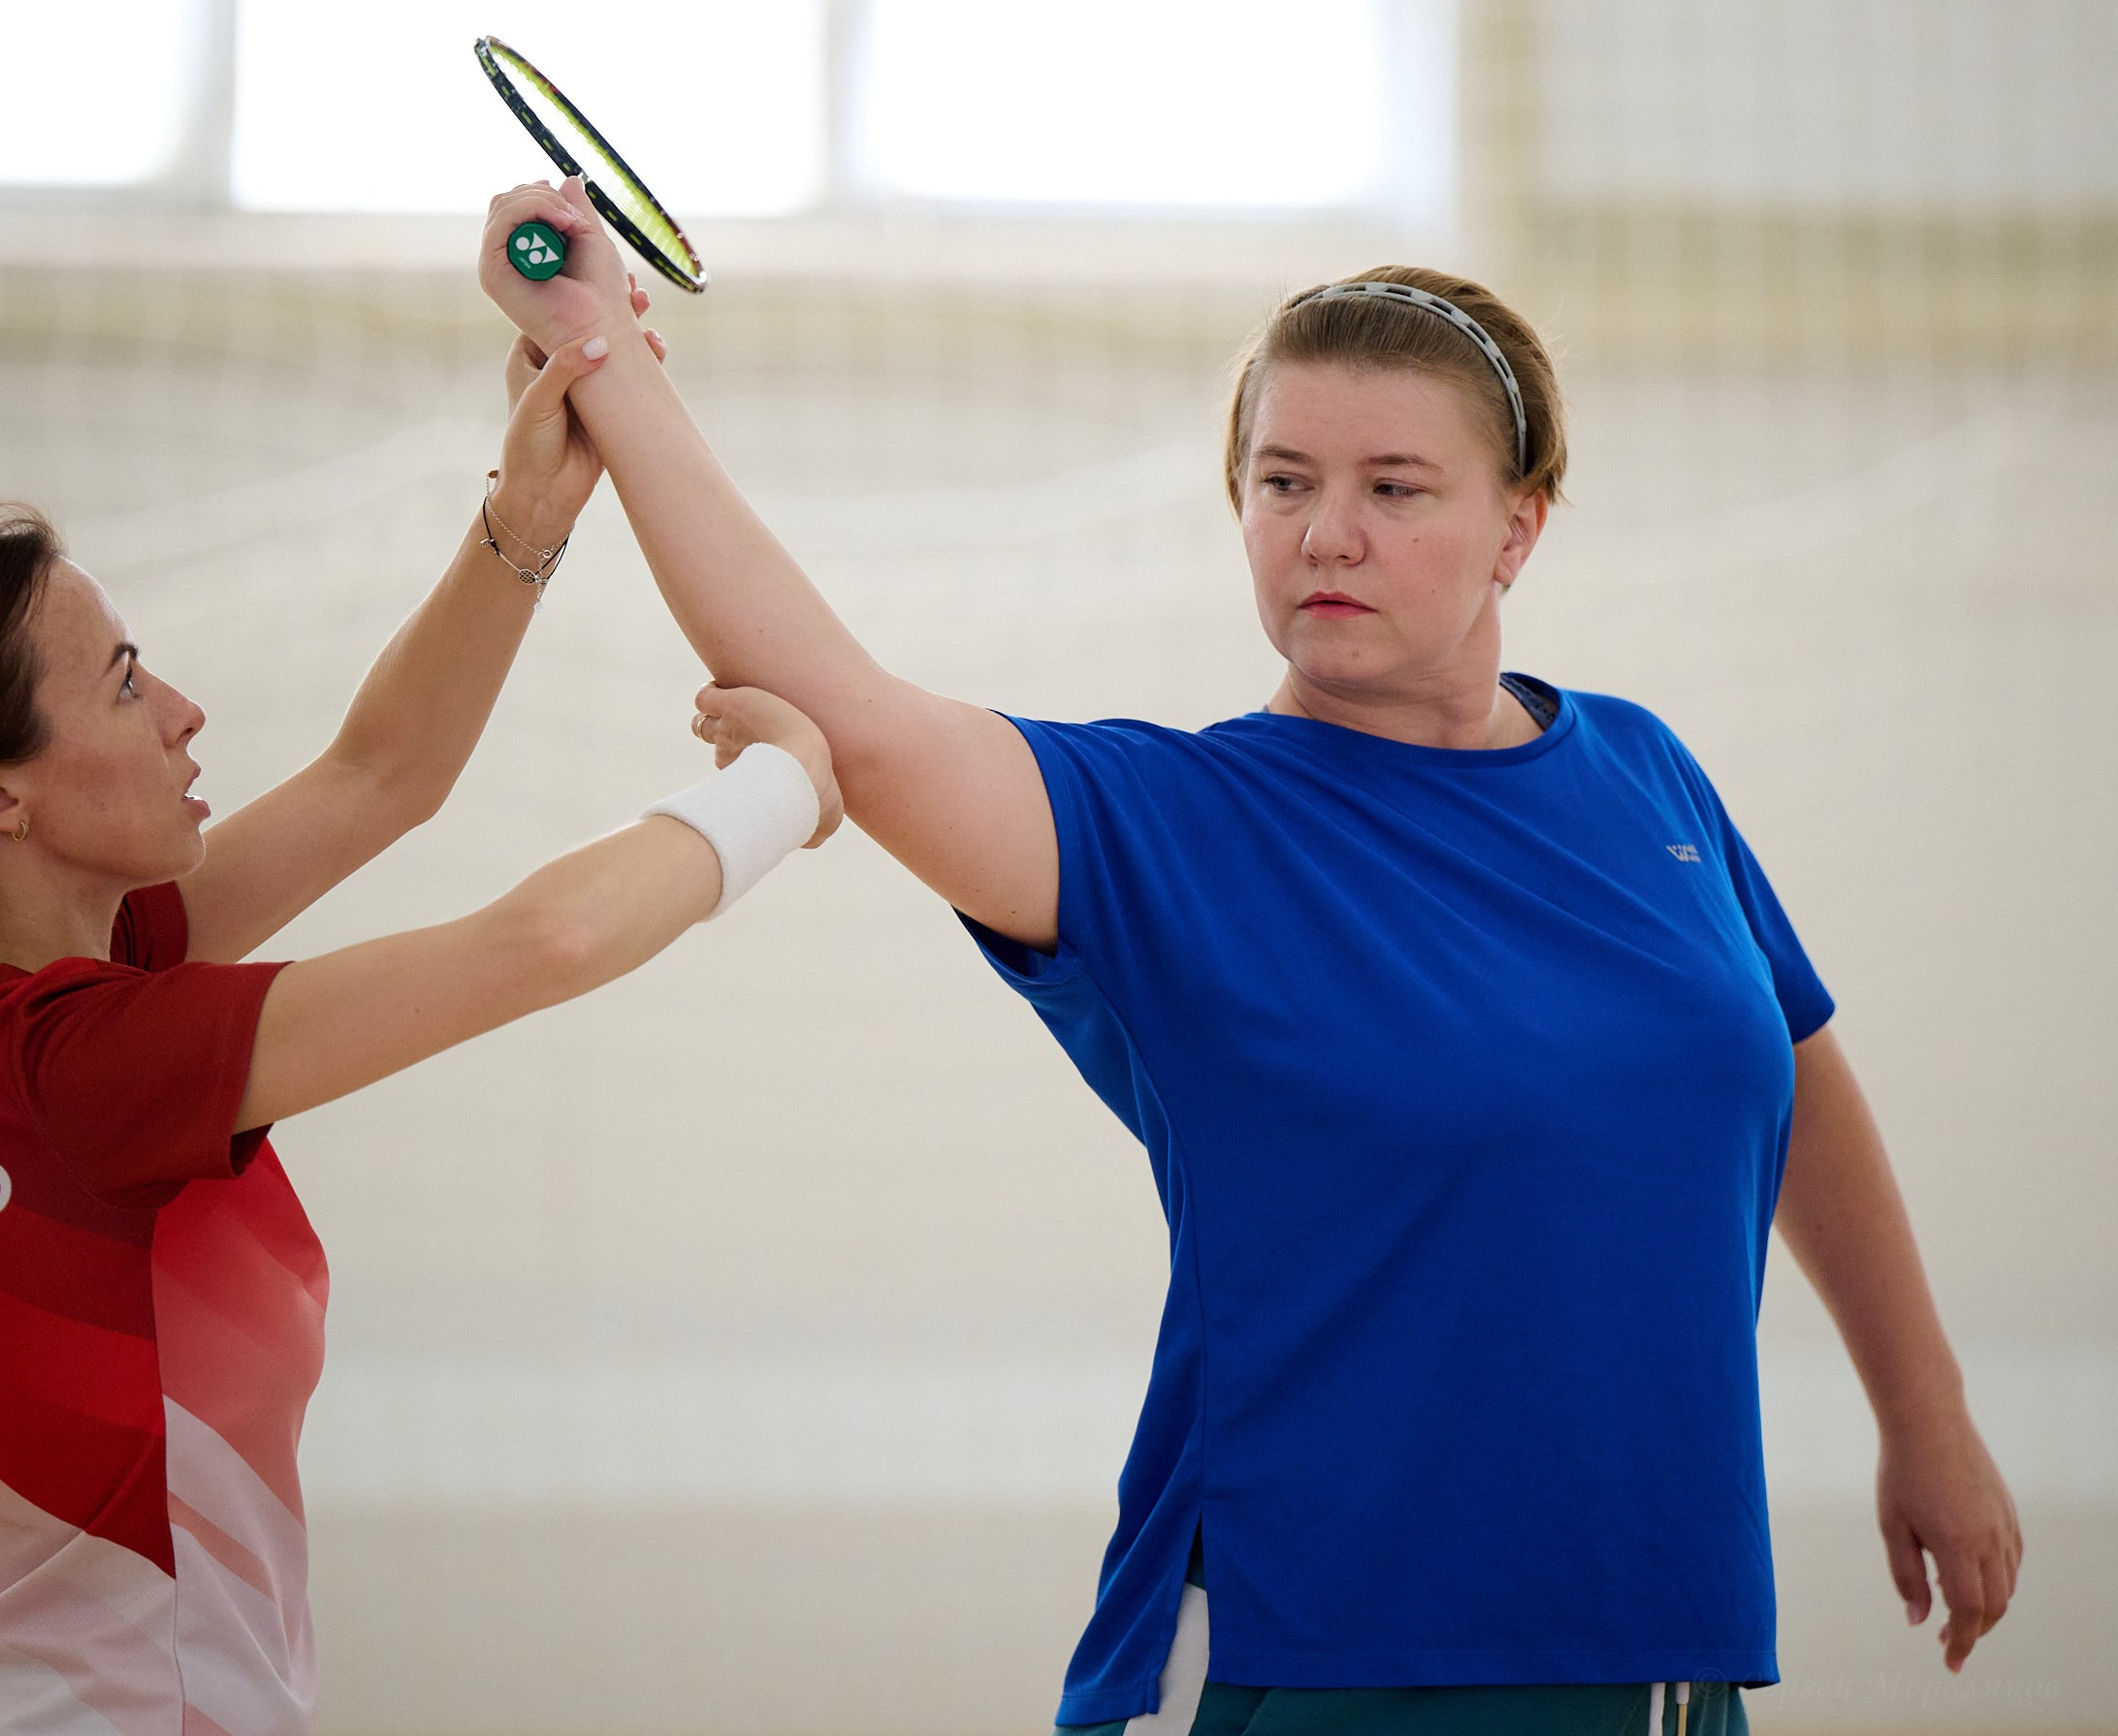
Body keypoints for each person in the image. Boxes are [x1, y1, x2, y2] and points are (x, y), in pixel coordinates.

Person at [474, 179, 2024, 1736]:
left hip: (1665, 1654)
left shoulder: (1645, 772)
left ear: (1519, 528)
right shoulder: (1171, 822)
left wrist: (1926, 1412)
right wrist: (601, 348)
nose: (1326, 533)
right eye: (1283, 480)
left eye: (1396, 487)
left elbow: (1791, 1068)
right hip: (1321, 1656)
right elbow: (841, 704)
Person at [0, 285, 842, 1736]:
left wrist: (526, 509)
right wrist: (788, 783)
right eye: (126, 681)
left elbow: (376, 774)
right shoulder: (95, 1066)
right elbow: (548, 938)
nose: (184, 711)